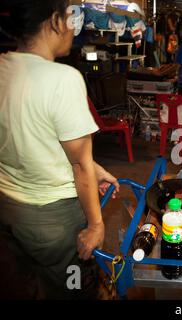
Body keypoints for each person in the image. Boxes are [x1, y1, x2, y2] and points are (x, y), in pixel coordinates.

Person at [0, 0, 120, 299]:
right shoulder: (62, 79)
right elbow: (79, 165)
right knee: (74, 284)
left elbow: (35, 140)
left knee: (30, 281)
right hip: (54, 220)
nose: (73, 26)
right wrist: (95, 224)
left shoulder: (3, 66)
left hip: (8, 208)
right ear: (54, 21)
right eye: (71, 17)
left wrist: (97, 169)